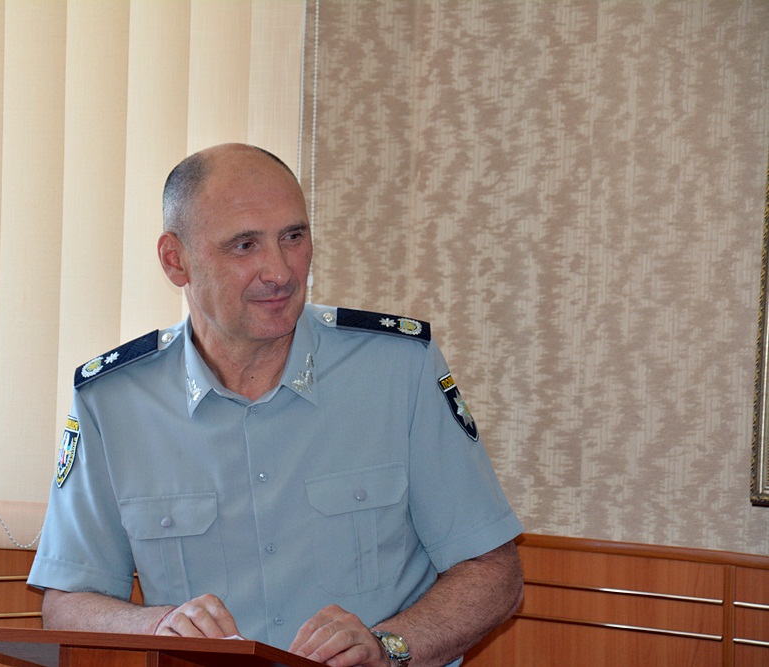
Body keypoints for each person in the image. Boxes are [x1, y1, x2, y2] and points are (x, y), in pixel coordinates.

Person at [28, 143, 524, 667]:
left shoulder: (398, 369)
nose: (281, 272)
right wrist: (157, 627)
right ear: (176, 260)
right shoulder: (113, 401)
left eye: (293, 237)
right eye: (245, 245)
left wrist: (389, 647)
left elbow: (494, 574)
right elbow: (66, 602)